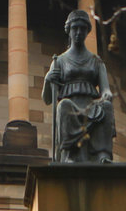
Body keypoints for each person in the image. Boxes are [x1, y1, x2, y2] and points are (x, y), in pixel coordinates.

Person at [42, 9, 115, 163]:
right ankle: (68, 154)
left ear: (88, 31)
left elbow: (105, 89)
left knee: (107, 107)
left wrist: (107, 95)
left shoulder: (96, 61)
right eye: (75, 28)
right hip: (70, 106)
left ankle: (103, 155)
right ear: (69, 31)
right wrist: (48, 79)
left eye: (83, 28)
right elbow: (47, 99)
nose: (79, 32)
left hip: (92, 106)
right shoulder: (59, 61)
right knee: (63, 106)